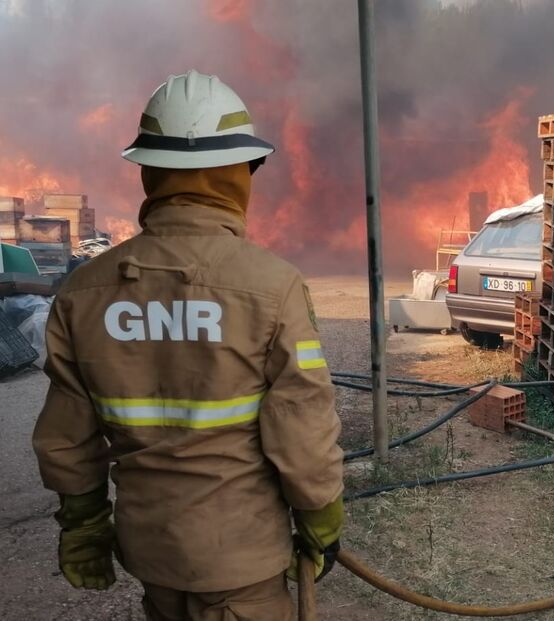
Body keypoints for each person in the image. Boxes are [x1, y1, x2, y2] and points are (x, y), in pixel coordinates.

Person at [32, 70, 344, 620]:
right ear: (237, 174)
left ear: (151, 172)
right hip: (241, 557)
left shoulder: (84, 291)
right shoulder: (272, 285)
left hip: (151, 551)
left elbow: (66, 436)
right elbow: (302, 427)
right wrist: (321, 519)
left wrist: (83, 524)